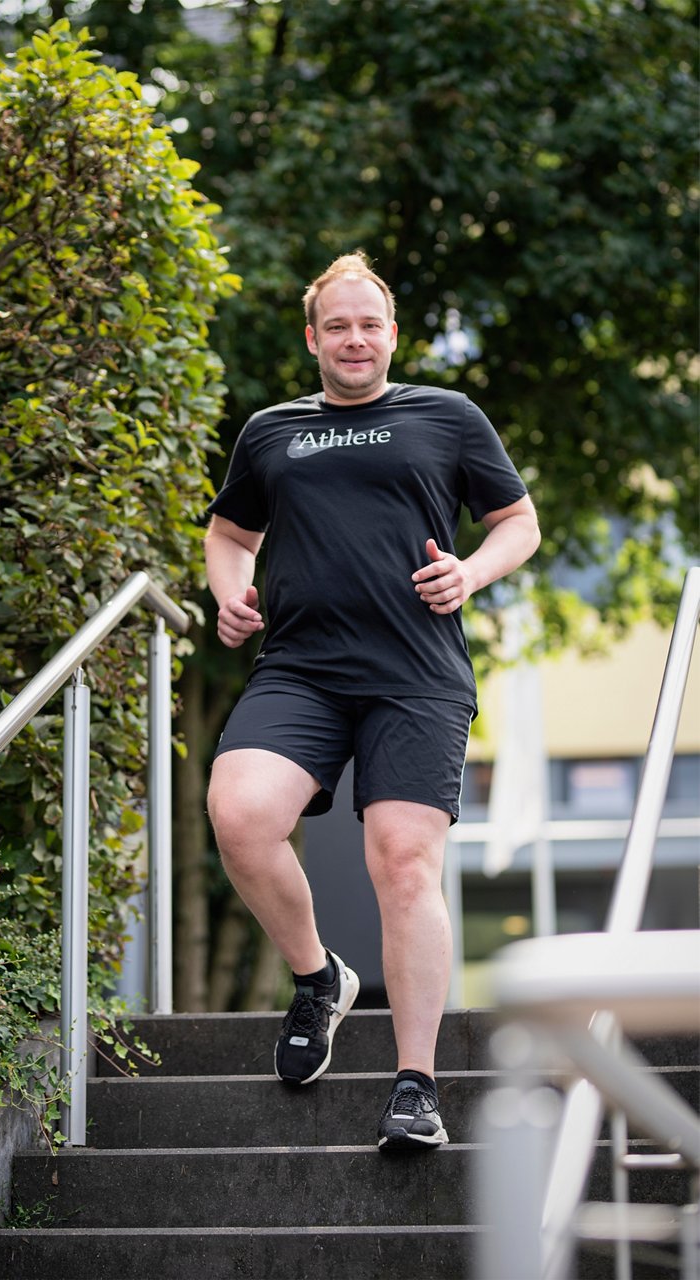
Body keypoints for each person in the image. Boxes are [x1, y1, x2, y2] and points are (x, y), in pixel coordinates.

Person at [204, 250, 540, 1151]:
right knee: (239, 815)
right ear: (313, 339)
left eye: (370, 324)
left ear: (392, 335)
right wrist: (228, 588)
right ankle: (318, 979)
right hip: (300, 669)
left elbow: (518, 521)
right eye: (337, 326)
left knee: (401, 862)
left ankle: (415, 1086)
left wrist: (469, 572)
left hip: (414, 675)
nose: (354, 339)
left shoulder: (446, 417)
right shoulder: (272, 430)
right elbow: (230, 529)